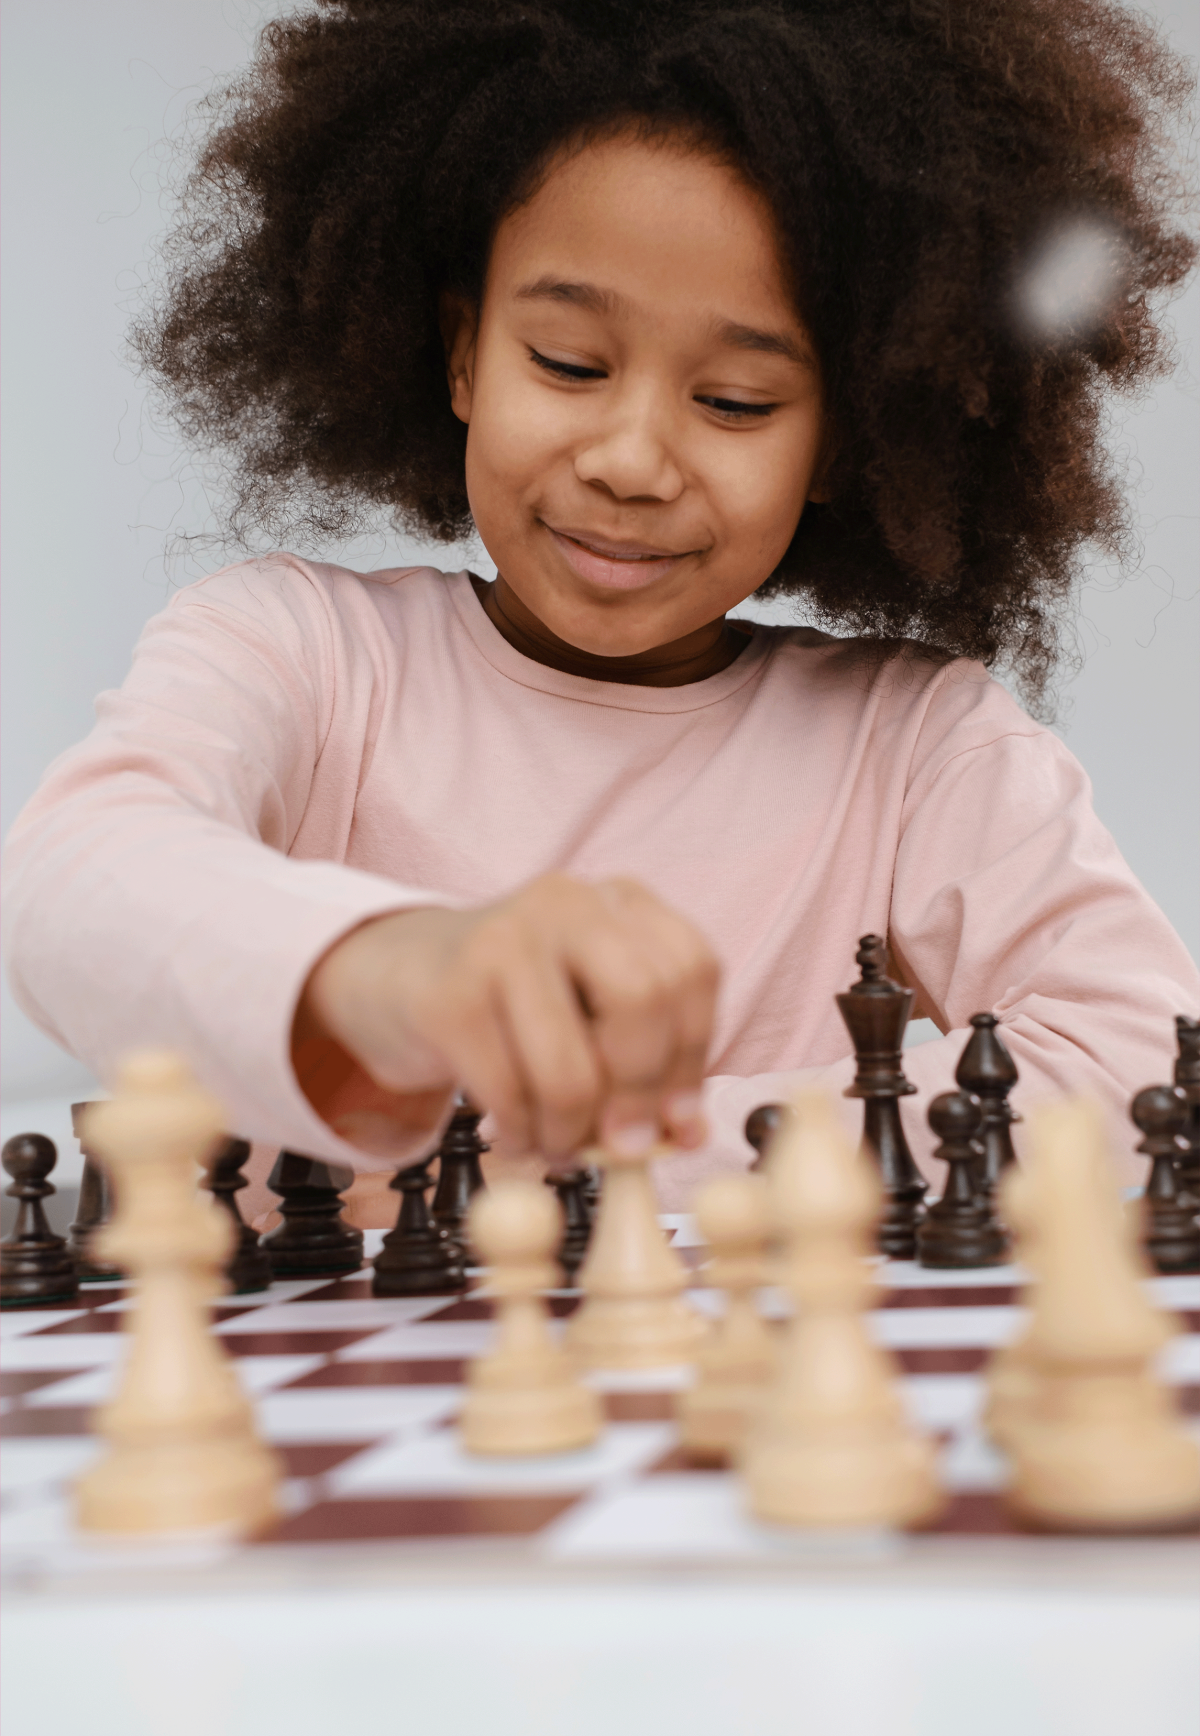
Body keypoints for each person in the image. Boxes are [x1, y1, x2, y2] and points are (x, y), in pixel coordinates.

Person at [4, 0, 1198, 1211]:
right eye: (569, 363)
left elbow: (1146, 1064)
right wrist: (386, 966)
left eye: (735, 401)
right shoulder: (299, 651)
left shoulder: (919, 747)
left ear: (844, 444)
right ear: (463, 353)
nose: (632, 459)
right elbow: (70, 884)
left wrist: (580, 1155)